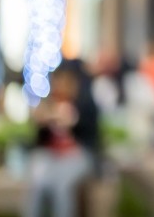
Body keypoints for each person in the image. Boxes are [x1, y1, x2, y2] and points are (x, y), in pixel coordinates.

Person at [22, 59, 101, 217]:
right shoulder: (48, 103)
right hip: (50, 157)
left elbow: (91, 136)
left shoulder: (86, 104)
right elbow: (37, 141)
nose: (62, 84)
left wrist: (73, 119)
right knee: (38, 184)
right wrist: (42, 120)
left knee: (62, 186)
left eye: (67, 79)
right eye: (59, 79)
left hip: (77, 156)